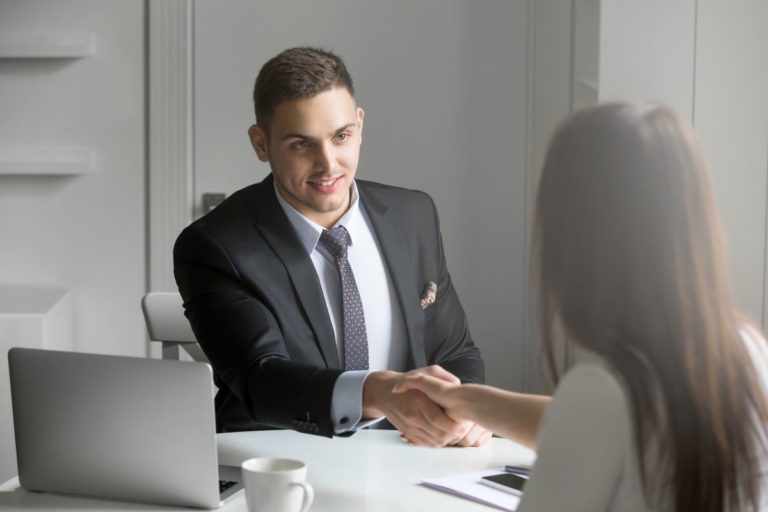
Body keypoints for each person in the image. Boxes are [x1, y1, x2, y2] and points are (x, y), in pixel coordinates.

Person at [395, 103, 768, 510]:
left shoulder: (603, 391)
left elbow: (593, 418)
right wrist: (470, 402)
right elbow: (590, 425)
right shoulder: (747, 348)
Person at [173, 46, 489, 447]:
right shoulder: (214, 246)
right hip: (279, 463)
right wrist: (377, 392)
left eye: (341, 137)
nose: (329, 164)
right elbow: (261, 378)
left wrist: (467, 407)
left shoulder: (415, 214)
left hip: (407, 456)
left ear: (359, 125)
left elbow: (455, 350)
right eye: (302, 145)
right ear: (261, 144)